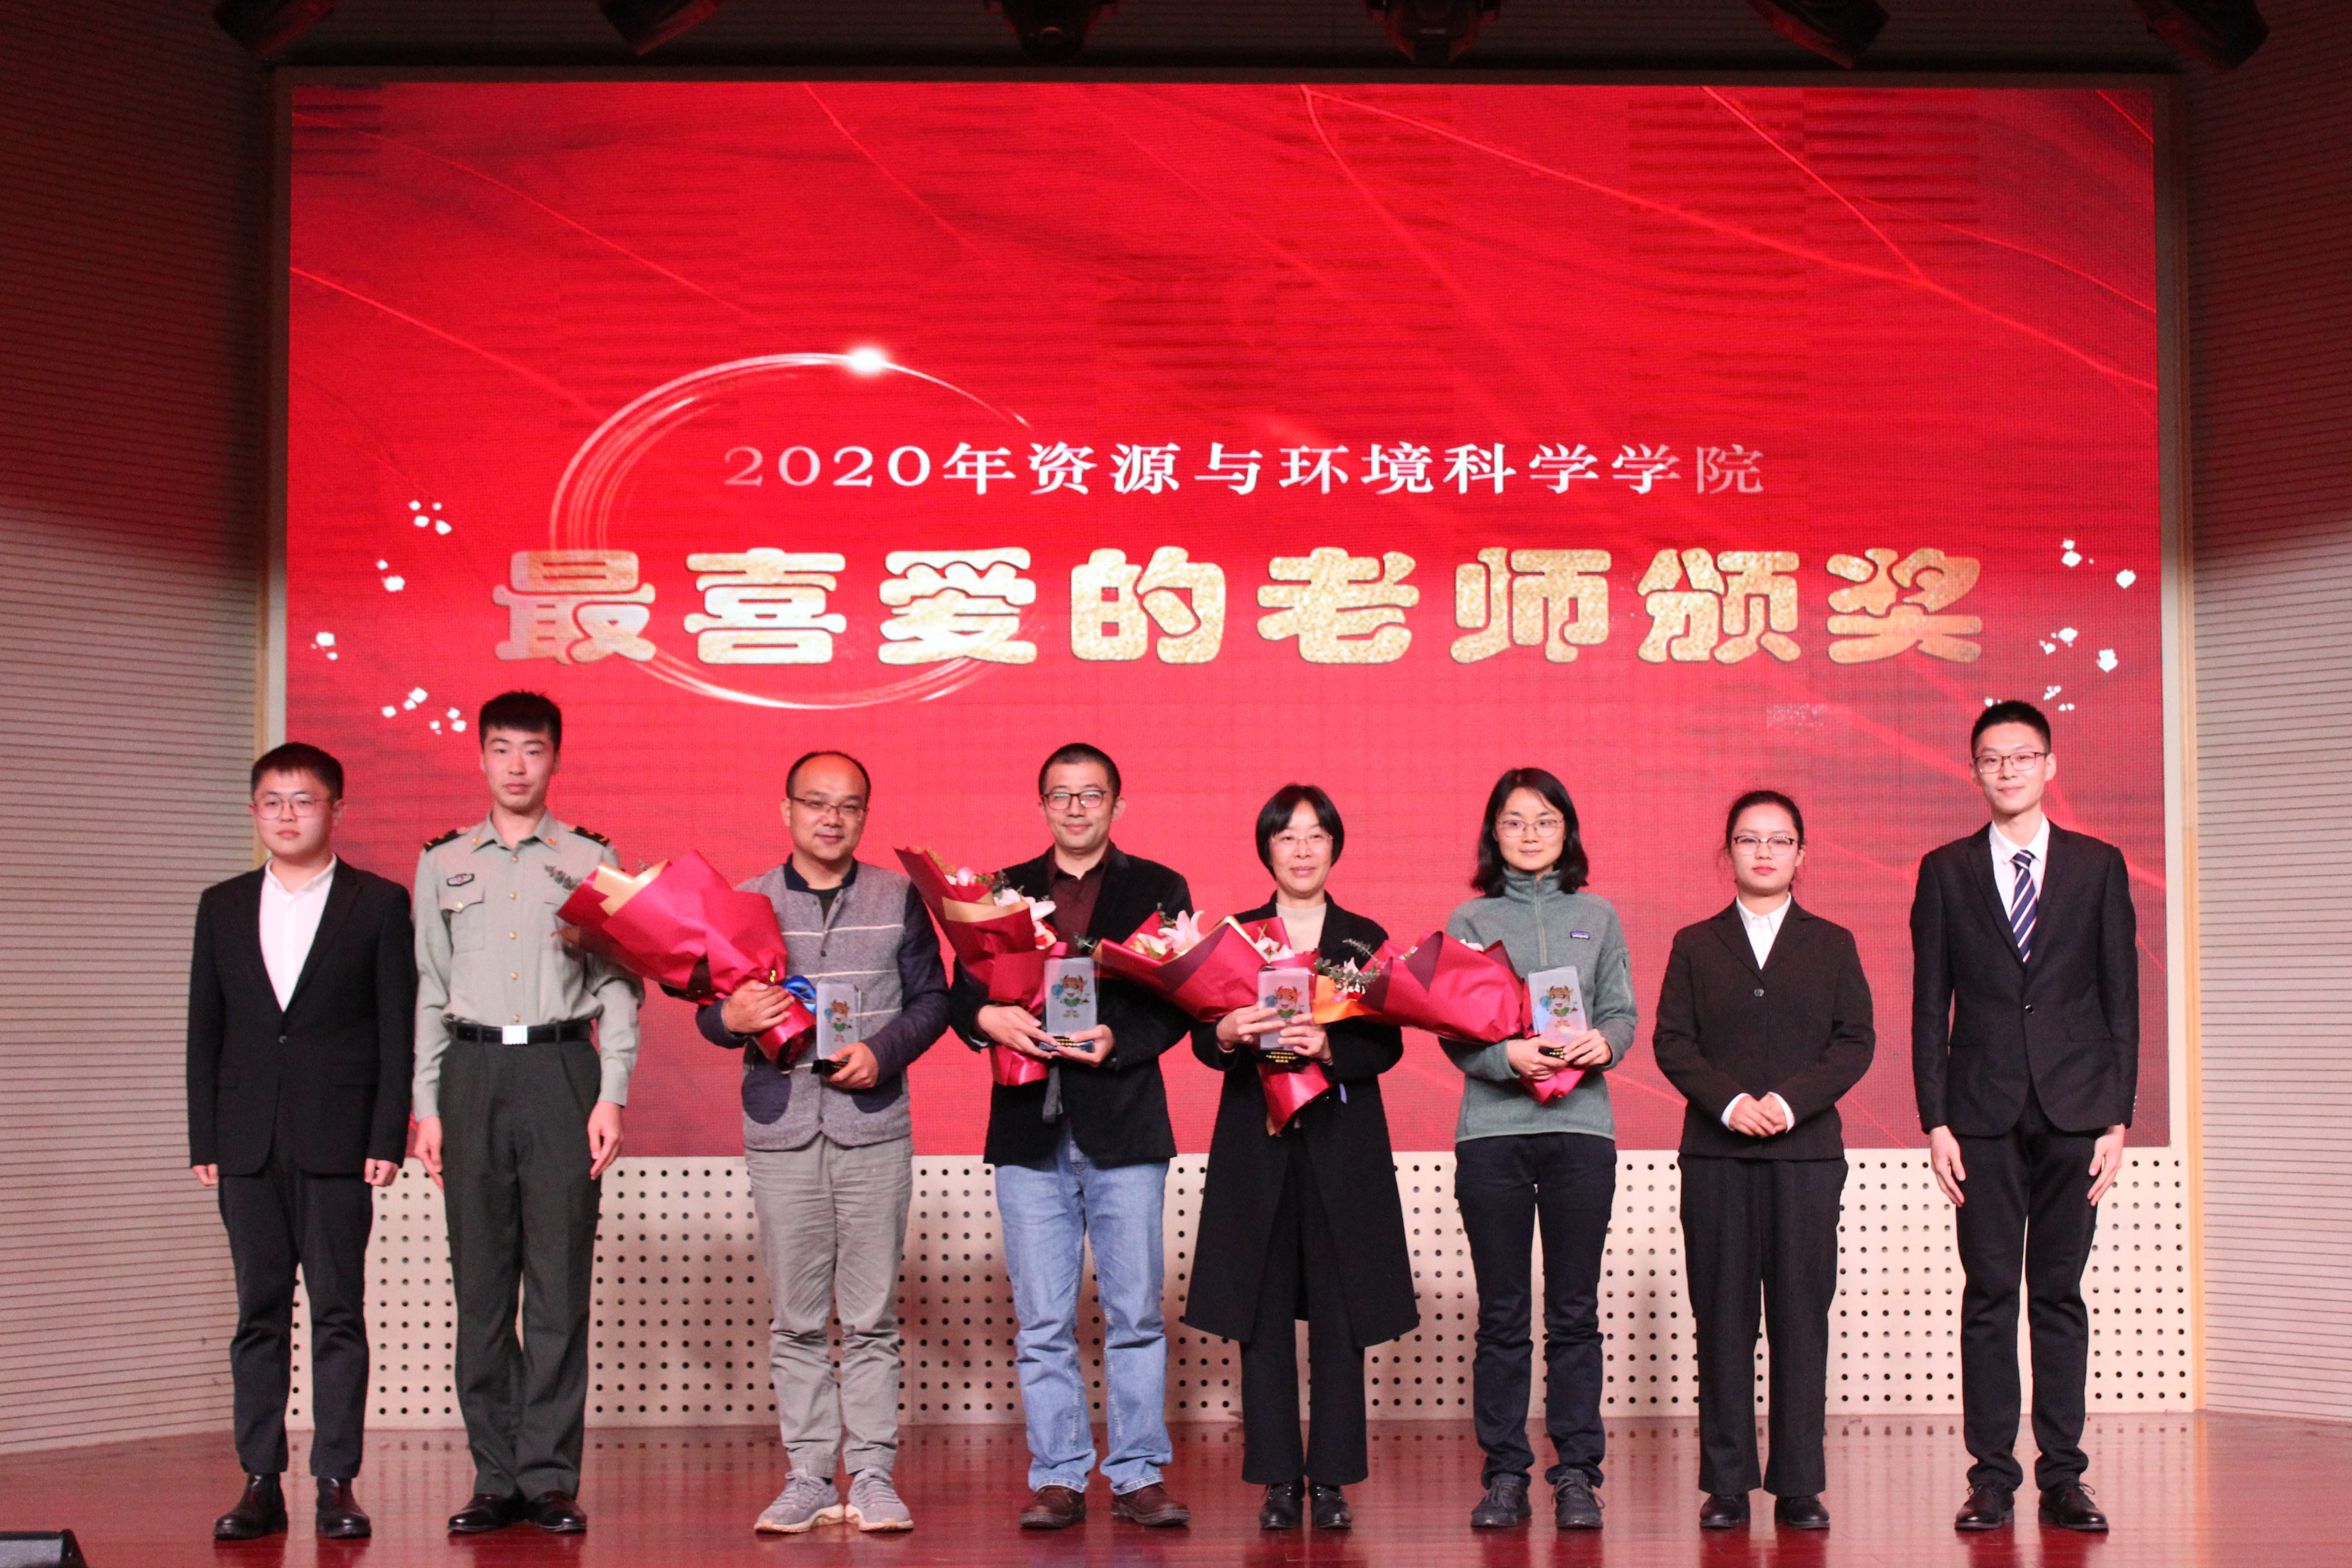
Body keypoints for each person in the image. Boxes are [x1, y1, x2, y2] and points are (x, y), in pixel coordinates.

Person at [694, 751, 949, 1535]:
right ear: (787, 810)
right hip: (781, 1125)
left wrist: (884, 1052)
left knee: (871, 1315)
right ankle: (808, 1475)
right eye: (816, 802)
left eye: (848, 805)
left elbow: (933, 1000)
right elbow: (709, 1010)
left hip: (873, 1123)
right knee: (798, 1317)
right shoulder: (745, 901)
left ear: (864, 815)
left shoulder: (898, 895)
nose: (831, 818)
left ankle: (872, 1474)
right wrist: (730, 1018)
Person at [411, 691, 643, 1536]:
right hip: (471, 1072)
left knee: (556, 1284)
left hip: (561, 1069)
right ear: (480, 756)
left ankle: (548, 1478)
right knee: (480, 1290)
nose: (517, 765)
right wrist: (426, 1105)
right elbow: (429, 988)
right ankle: (494, 1476)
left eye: (533, 749)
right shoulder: (442, 861)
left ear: (556, 759)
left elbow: (618, 983)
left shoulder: (590, 858)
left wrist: (611, 1090)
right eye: (502, 748)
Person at [952, 742, 1196, 1531]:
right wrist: (987, 1017)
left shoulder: (1159, 888)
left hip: (1124, 1124)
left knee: (1136, 1314)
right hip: (1030, 1128)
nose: (1076, 807)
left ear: (1117, 804)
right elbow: (962, 994)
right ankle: (1058, 1475)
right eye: (1061, 794)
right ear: (1042, 805)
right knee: (1042, 1321)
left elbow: (1178, 999)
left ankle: (1137, 1473)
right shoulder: (1003, 892)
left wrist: (1116, 1039)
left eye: (1092, 794)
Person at [1913, 699, 2136, 1534]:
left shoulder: (2098, 865)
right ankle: (1991, 1479)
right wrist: (1936, 1118)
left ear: (2050, 765)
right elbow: (1929, 1001)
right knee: (1989, 1294)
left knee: (2059, 1293)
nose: (2008, 770)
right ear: (1974, 770)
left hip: (2077, 1108)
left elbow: (2122, 996)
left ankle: (2064, 1477)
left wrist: (2117, 1115)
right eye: (1992, 758)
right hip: (1980, 1112)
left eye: (2022, 755)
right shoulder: (1945, 870)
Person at [187, 742, 415, 1542]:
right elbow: (205, 1029)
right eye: (272, 801)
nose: (287, 815)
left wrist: (387, 1135)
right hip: (247, 1141)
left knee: (338, 1312)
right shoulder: (221, 904)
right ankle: (260, 1479)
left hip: (340, 1140)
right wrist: (205, 1135)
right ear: (255, 811)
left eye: (303, 800)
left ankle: (336, 1479)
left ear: (336, 809)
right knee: (258, 1312)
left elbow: (396, 1031)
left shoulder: (378, 902)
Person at [1183, 784, 1417, 1533]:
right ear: (1268, 849)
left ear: (1335, 846)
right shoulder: (1238, 936)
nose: (1303, 849)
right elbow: (1203, 1034)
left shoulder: (1361, 938)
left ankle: (1335, 1479)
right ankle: (1279, 1479)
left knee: (1341, 1315)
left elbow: (1388, 1041)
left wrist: (1331, 1046)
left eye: (1316, 835)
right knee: (1263, 1315)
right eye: (1288, 836)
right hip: (1260, 1145)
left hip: (1340, 1145)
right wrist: (1227, 1033)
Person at [1652, 790, 1874, 1532]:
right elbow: (1673, 1040)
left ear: (1802, 854)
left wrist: (1785, 1103)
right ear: (1729, 852)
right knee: (1722, 1319)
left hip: (1804, 1156)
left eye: (1780, 840)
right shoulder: (1695, 943)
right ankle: (1727, 1483)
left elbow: (1855, 1040)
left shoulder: (1833, 942)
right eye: (1750, 839)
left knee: (1800, 1319)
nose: (1765, 852)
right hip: (1717, 1156)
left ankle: (1800, 1483)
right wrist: (1728, 1103)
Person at [1441, 767, 1637, 1532]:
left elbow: (1621, 1011)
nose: (1530, 834)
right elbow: (1453, 1029)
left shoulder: (1598, 914)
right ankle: (1504, 1474)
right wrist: (1507, 1058)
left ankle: (1578, 1472)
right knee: (1502, 1312)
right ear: (1493, 833)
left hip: (1581, 1130)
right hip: (1493, 1135)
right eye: (1515, 821)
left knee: (1575, 1310)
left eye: (1546, 820)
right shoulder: (1469, 918)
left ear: (1567, 830)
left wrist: (1604, 1044)